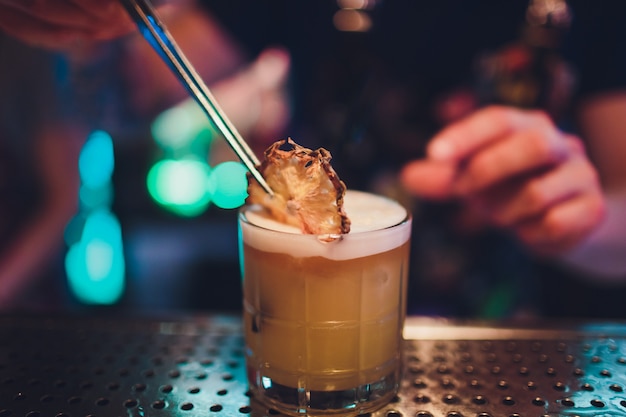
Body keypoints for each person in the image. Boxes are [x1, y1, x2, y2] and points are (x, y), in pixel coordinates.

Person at [0, 0, 623, 318]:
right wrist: (80, 30)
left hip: (515, 327)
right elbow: (127, 87)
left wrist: (580, 222)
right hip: (302, 313)